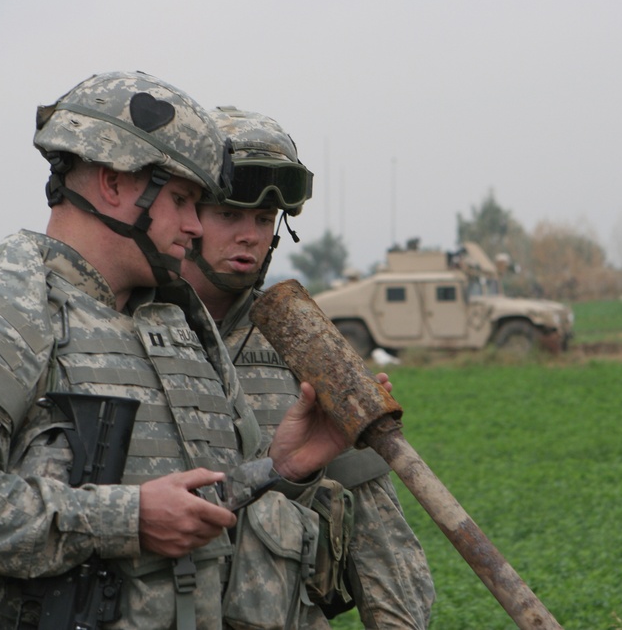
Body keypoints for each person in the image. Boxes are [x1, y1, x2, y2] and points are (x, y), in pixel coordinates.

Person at [0, 72, 351, 629]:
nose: (195, 224)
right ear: (112, 183)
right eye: (181, 199)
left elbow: (190, 504)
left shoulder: (175, 316)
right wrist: (125, 520)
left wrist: (280, 468)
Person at [180, 105, 436, 628]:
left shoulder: (301, 340)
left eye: (264, 219)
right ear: (185, 212)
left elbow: (380, 537)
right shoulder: (122, 330)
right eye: (229, 214)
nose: (250, 235)